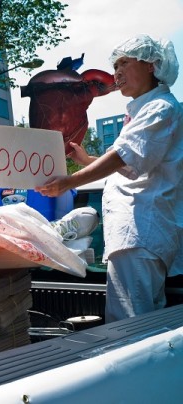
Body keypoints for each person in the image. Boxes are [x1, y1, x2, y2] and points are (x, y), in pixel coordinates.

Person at [36, 34, 182, 322]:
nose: (117, 72)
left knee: (130, 324)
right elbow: (132, 164)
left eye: (125, 63)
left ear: (151, 65)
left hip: (139, 232)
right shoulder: (146, 109)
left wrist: (70, 181)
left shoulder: (160, 108)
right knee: (143, 321)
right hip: (138, 235)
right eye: (115, 65)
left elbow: (123, 157)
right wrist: (87, 161)